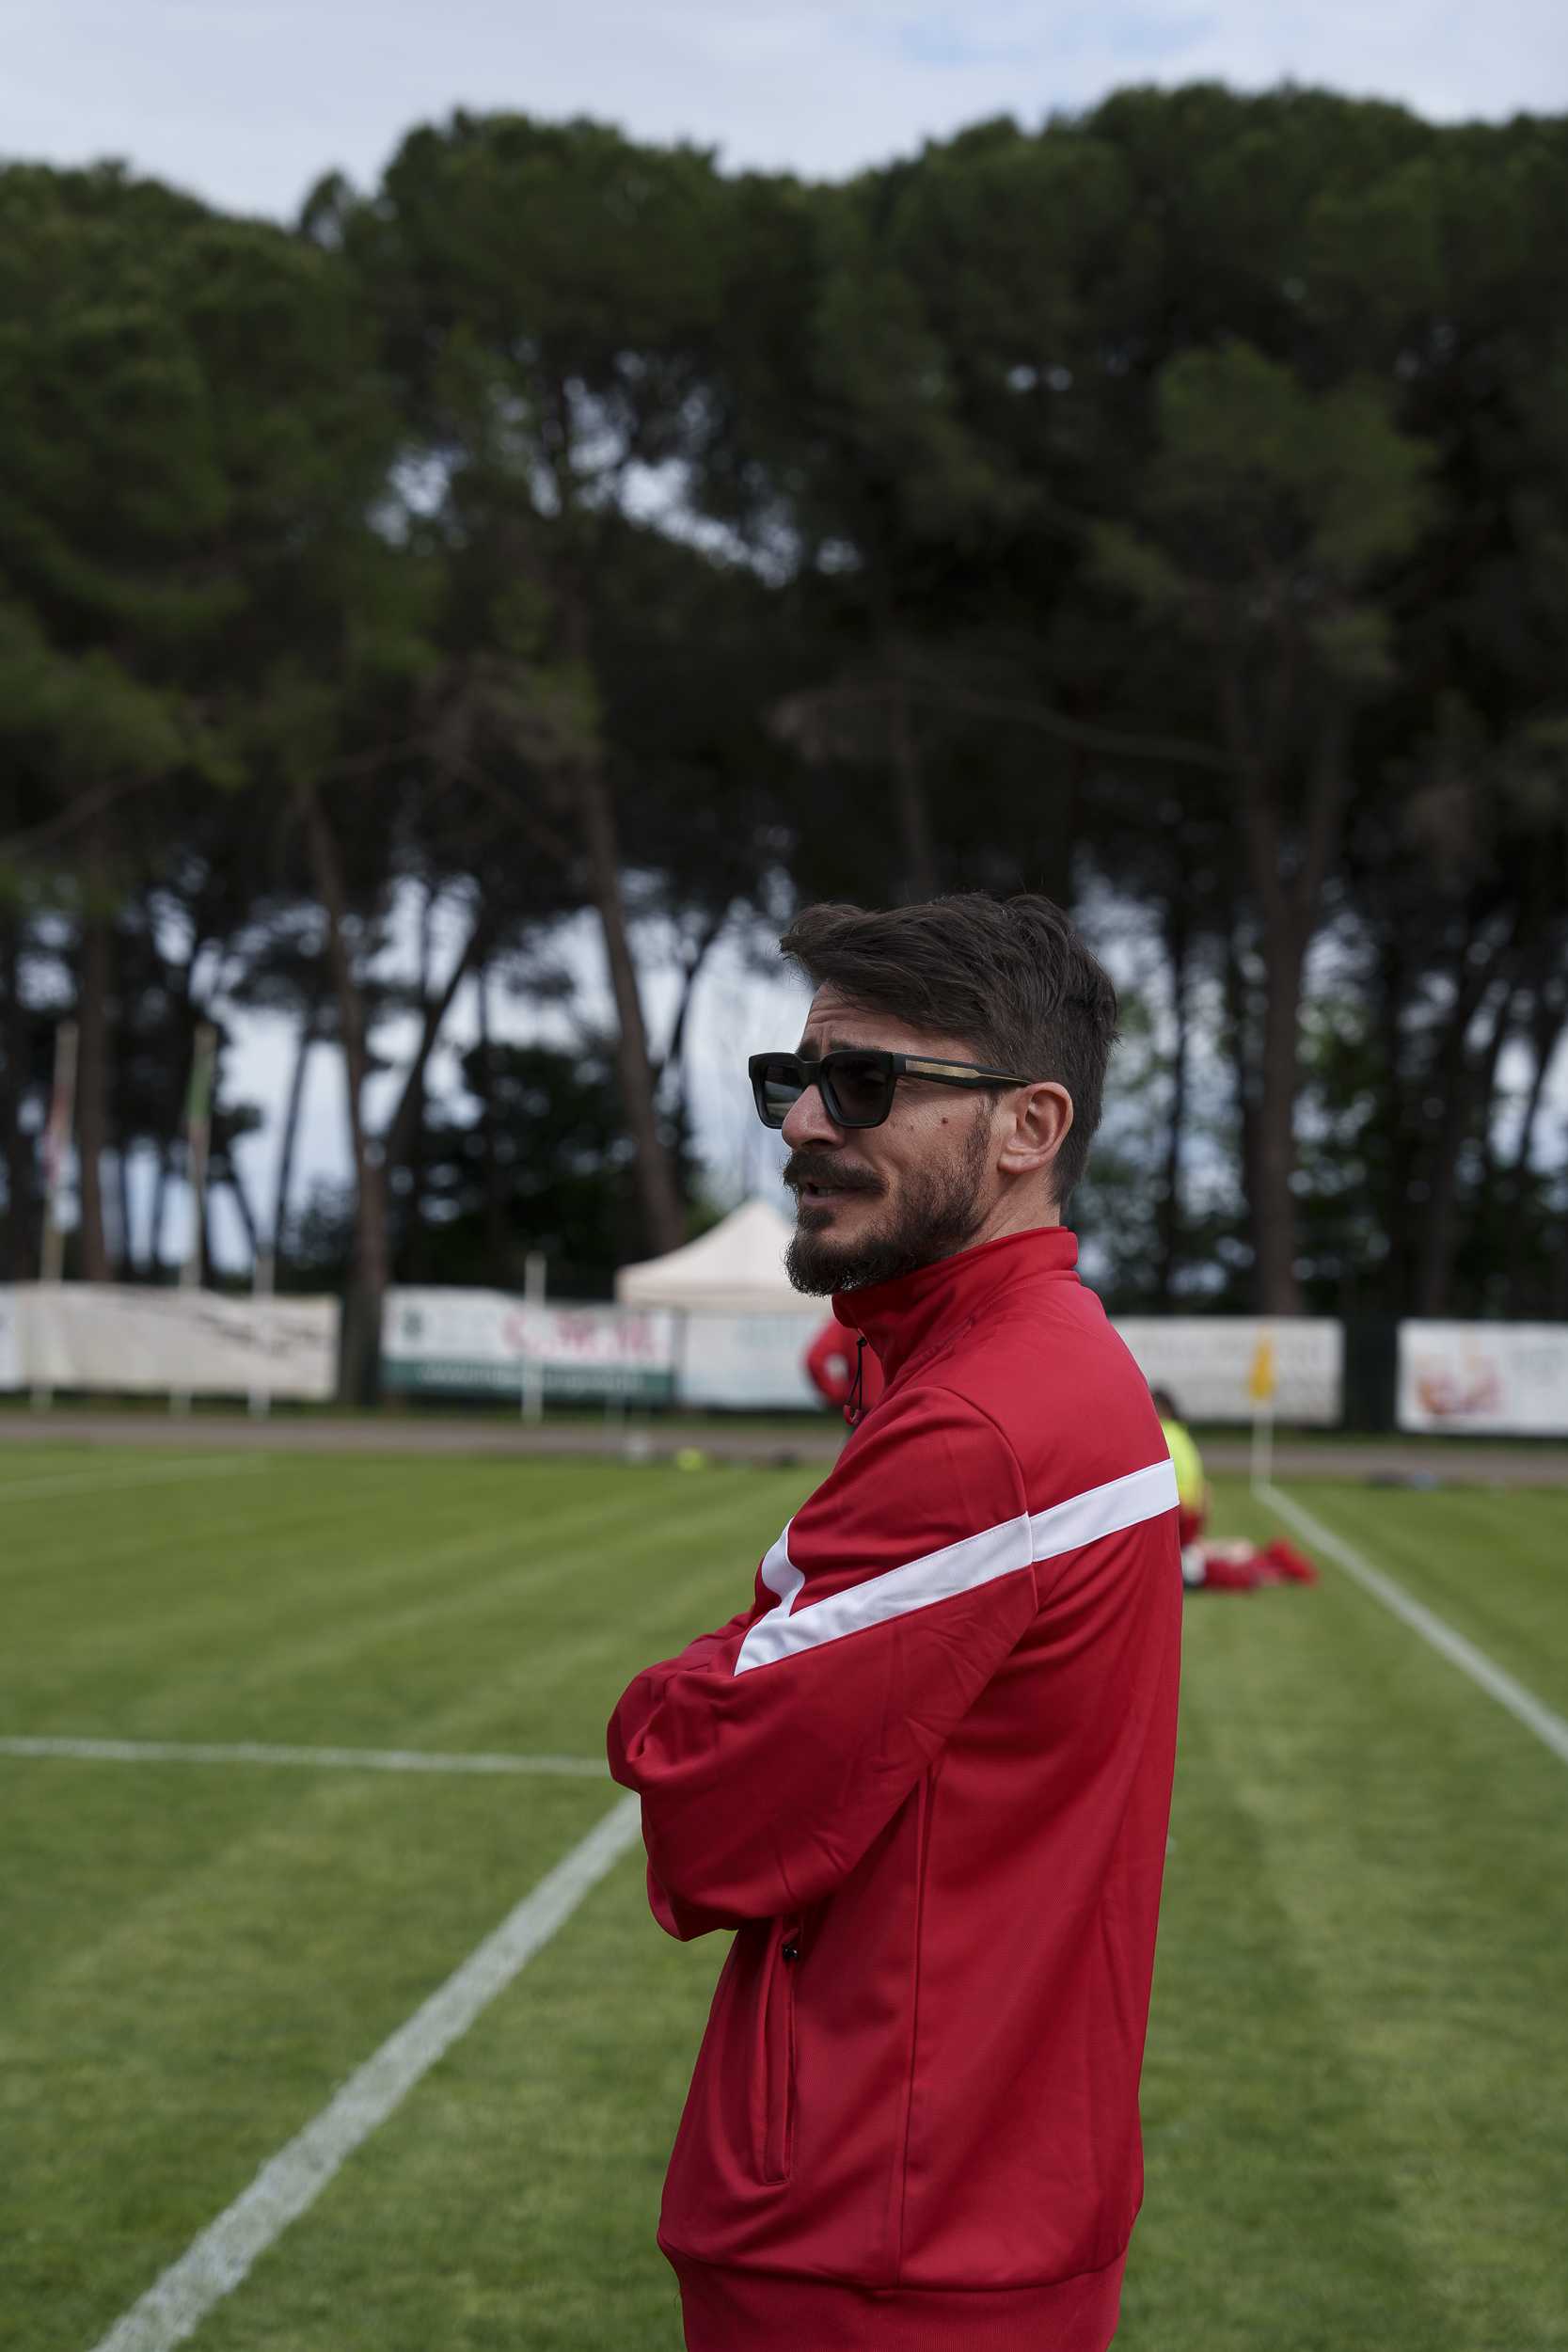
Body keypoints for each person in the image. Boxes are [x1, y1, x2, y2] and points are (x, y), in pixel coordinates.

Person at [608, 893, 1182, 2352]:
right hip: (959, 2188)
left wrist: (675, 1689)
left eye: (862, 1083)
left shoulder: (983, 1418)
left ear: (1026, 1126)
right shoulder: (1013, 1362)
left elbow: (709, 1806)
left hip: (883, 2222)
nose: (802, 1124)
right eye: (792, 1080)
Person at [1153, 1385, 1316, 1592]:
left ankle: (1260, 1569)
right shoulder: (1180, 1435)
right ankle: (1254, 1559)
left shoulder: (1161, 1436)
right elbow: (1204, 1491)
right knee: (1204, 1556)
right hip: (1190, 1514)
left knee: (1195, 1567)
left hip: (1177, 1517)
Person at [801, 1315, 885, 1422]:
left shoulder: (851, 1317)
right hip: (899, 1407)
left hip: (865, 1410)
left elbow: (815, 1360)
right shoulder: (902, 1315)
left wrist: (838, 1395)